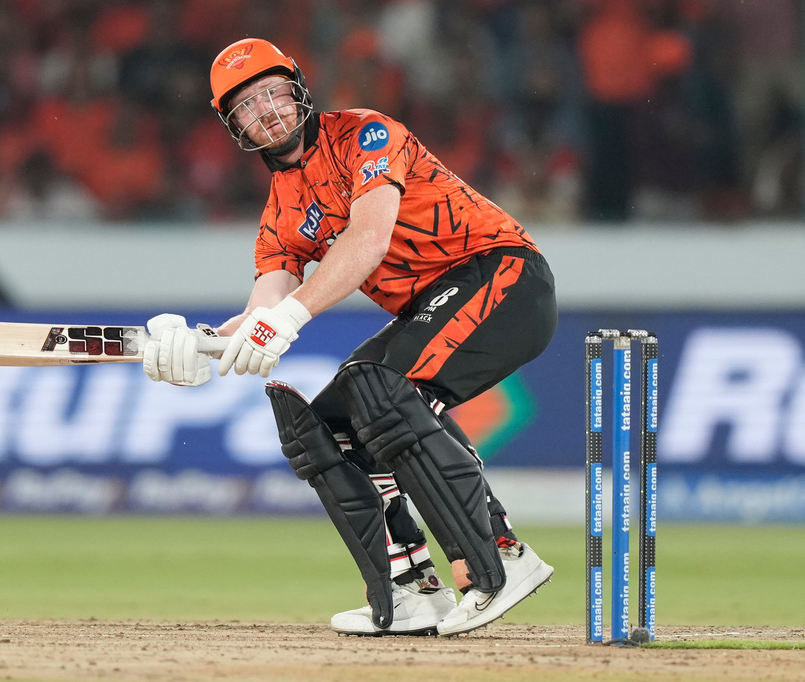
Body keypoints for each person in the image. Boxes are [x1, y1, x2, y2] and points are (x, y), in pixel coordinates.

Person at [142, 38, 557, 637]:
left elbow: (368, 239)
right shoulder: (280, 212)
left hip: (504, 274)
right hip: (432, 306)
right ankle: (412, 590)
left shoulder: (366, 135)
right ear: (233, 126)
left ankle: (500, 557)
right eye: (247, 106)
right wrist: (204, 343)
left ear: (298, 89)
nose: (267, 111)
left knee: (382, 390)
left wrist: (287, 319)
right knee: (330, 427)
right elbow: (266, 302)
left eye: (273, 92)